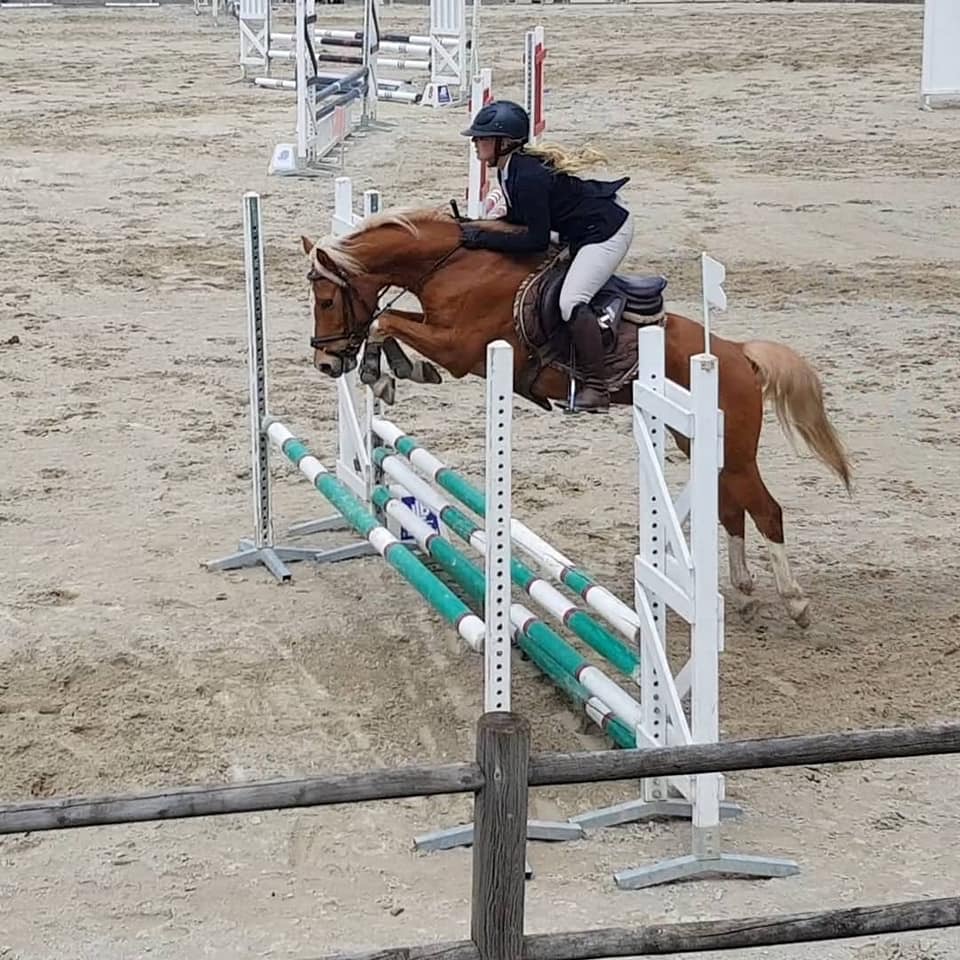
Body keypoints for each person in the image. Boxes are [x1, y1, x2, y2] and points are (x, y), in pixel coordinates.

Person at [459, 99, 635, 413]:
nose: (475, 142)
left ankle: (597, 388)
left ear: (504, 142)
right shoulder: (509, 170)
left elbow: (535, 240)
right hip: (576, 227)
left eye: (481, 137)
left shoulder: (527, 176)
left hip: (606, 231)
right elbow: (517, 221)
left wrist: (482, 238)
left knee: (571, 301)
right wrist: (473, 226)